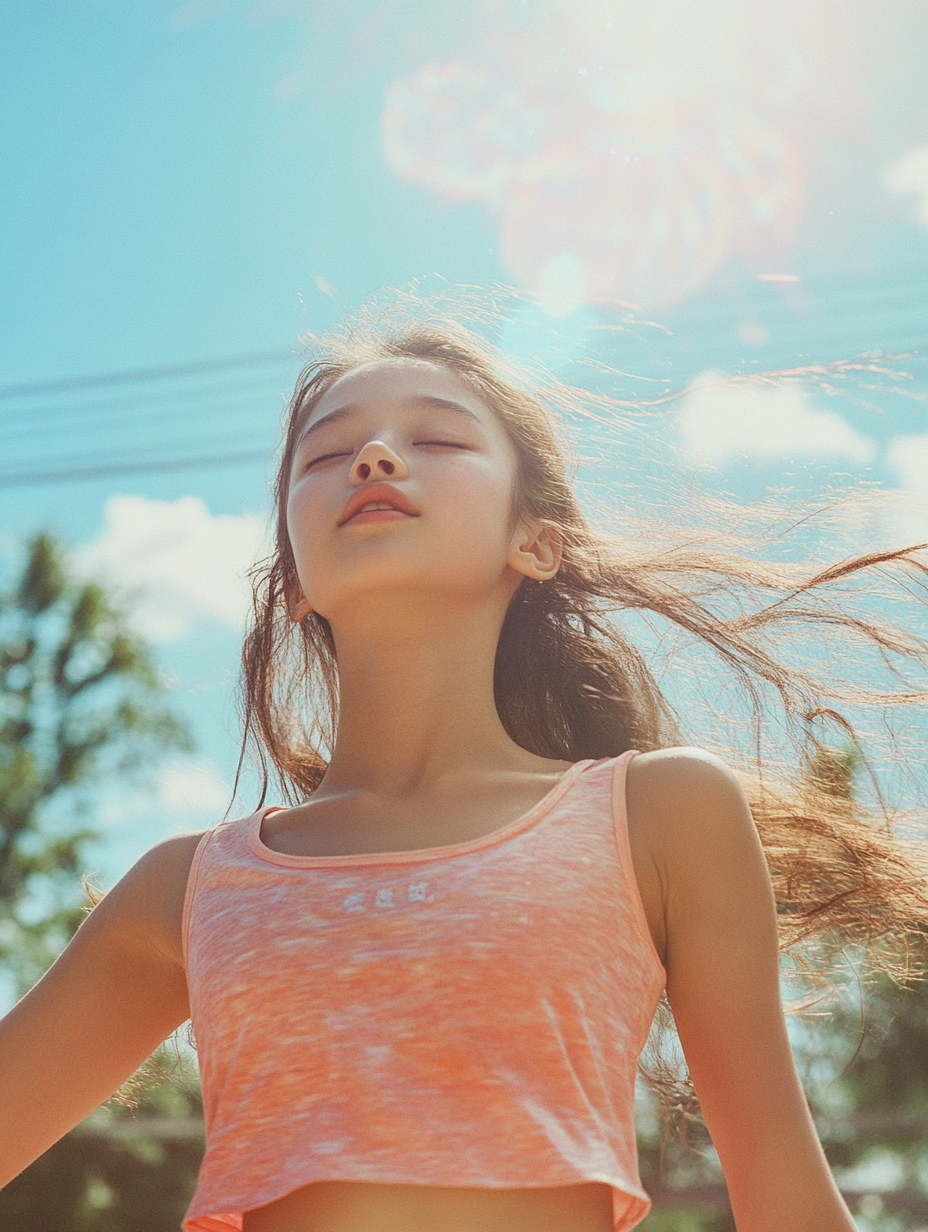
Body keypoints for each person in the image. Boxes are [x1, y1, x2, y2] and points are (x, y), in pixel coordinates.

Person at [1, 301, 926, 1232]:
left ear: (537, 542)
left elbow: (790, 1205)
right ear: (292, 581)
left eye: (436, 438)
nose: (374, 459)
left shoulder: (659, 814)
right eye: (326, 456)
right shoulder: (189, 886)